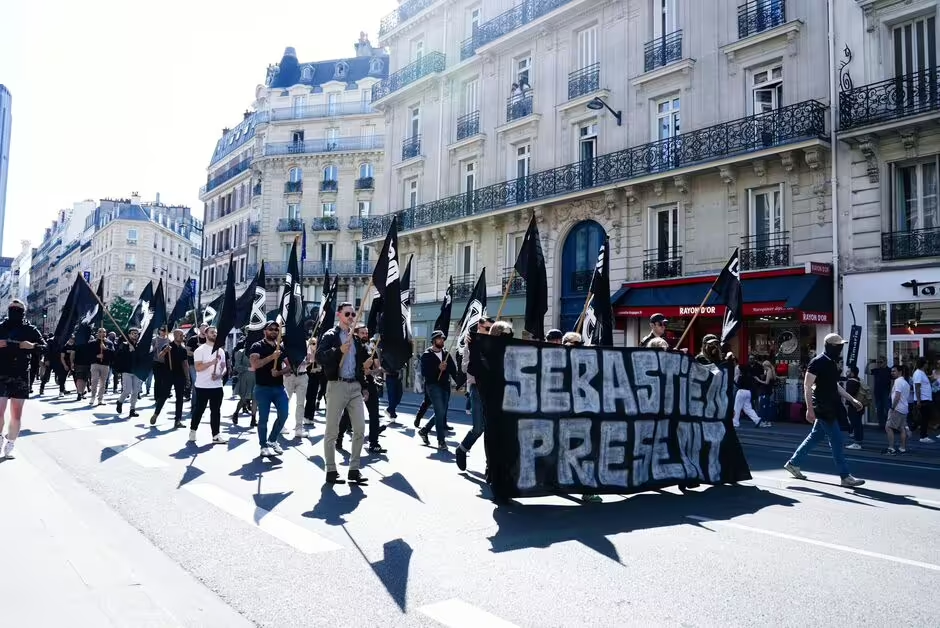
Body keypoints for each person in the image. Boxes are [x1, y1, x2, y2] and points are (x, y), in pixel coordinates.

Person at [784, 333, 865, 487]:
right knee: (837, 440)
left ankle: (793, 463)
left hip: (830, 406)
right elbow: (807, 386)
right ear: (831, 346)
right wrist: (809, 409)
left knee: (814, 437)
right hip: (823, 407)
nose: (841, 348)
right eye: (839, 345)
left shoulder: (832, 362)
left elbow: (834, 385)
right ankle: (845, 476)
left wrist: (851, 399)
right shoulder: (817, 362)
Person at [316, 302, 369, 485]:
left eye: (353, 315)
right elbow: (319, 357)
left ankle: (354, 470)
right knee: (332, 430)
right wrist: (338, 350)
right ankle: (331, 470)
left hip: (354, 387)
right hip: (336, 385)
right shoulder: (330, 335)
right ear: (339, 315)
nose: (351, 318)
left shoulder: (355, 339)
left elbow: (360, 366)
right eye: (348, 314)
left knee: (360, 429)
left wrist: (364, 386)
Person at [0, 300, 45, 459]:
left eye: (18, 309)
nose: (15, 311)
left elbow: (45, 347)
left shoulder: (30, 330)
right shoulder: (1, 327)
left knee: (16, 414)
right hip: (1, 372)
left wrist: (32, 346)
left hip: (20, 374)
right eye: (12, 308)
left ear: (23, 312)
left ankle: (10, 443)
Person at [455, 318, 495, 472]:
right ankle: (462, 449)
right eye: (487, 328)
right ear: (479, 327)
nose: (489, 331)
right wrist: (475, 353)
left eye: (491, 328)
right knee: (478, 428)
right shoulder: (470, 343)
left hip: (492, 389)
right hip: (476, 388)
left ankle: (489, 465)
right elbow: (465, 368)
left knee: (491, 429)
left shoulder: (493, 342)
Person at [249, 321, 290, 458]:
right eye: (271, 329)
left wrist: (279, 373)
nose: (274, 331)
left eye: (276, 329)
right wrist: (272, 357)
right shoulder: (257, 346)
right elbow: (255, 364)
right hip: (262, 388)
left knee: (284, 414)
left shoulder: (281, 347)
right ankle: (263, 445)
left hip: (278, 388)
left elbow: (289, 367)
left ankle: (272, 440)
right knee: (263, 419)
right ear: (264, 331)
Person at [418, 330, 458, 451]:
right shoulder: (427, 355)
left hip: (445, 385)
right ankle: (441, 441)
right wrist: (438, 368)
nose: (442, 341)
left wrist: (460, 382)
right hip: (433, 386)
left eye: (443, 339)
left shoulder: (446, 353)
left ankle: (424, 430)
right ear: (434, 340)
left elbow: (453, 369)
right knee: (440, 411)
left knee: (441, 412)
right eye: (439, 338)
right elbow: (425, 373)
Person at [189, 326, 227, 445]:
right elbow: (198, 368)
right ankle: (193, 430)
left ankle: (216, 435)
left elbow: (224, 367)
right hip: (202, 386)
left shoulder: (220, 351)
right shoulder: (199, 350)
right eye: (212, 332)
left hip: (217, 386)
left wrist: (220, 374)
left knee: (216, 411)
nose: (214, 334)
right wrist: (211, 362)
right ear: (206, 334)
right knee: (199, 410)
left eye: (215, 332)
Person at [151, 329, 189, 428]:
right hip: (168, 374)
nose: (182, 337)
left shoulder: (183, 349)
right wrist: (164, 351)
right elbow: (159, 357)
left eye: (183, 336)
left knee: (179, 398)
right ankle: (156, 414)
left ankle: (178, 420)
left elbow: (185, 364)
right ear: (175, 336)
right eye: (181, 335)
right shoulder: (168, 346)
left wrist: (187, 378)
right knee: (163, 395)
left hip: (180, 376)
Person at [282, 330, 313, 439]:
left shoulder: (306, 343)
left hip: (302, 375)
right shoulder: (285, 343)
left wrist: (307, 360)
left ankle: (299, 429)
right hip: (290, 375)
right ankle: (281, 425)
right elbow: (282, 358)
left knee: (300, 403)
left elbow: (310, 360)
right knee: (285, 401)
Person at [114, 328, 141, 418]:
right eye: (133, 333)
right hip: (126, 371)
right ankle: (120, 401)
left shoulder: (139, 345)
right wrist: (127, 350)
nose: (135, 335)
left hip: (136, 371)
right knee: (127, 390)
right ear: (129, 335)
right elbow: (118, 355)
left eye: (136, 333)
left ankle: (132, 409)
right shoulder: (124, 344)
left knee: (135, 392)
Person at [230, 337, 256, 427]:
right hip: (244, 378)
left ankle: (253, 418)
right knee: (244, 399)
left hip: (256, 378)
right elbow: (237, 366)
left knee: (255, 399)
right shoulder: (241, 352)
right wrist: (247, 368)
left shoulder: (257, 352)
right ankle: (236, 413)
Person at [885, 364, 910, 455]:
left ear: (900, 372)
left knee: (888, 427)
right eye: (891, 371)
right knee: (902, 428)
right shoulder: (906, 382)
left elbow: (897, 396)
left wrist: (892, 408)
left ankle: (891, 448)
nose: (892, 373)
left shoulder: (898, 381)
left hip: (897, 408)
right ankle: (902, 447)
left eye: (894, 371)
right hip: (904, 408)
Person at [88, 328, 114, 406]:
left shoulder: (109, 343)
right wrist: (96, 356)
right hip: (95, 364)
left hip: (105, 365)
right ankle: (93, 396)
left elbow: (113, 354)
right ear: (97, 333)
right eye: (100, 332)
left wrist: (105, 349)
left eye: (104, 332)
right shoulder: (92, 343)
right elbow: (88, 354)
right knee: (94, 381)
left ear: (106, 333)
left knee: (103, 383)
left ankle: (100, 399)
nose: (102, 333)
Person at [911, 357, 934, 444]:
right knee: (923, 418)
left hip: (926, 399)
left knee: (924, 418)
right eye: (927, 363)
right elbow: (917, 387)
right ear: (923, 364)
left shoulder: (922, 373)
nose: (928, 365)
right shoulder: (918, 373)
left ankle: (920, 432)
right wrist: (918, 401)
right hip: (922, 399)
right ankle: (923, 436)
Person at [844, 365, 863, 450]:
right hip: (859, 405)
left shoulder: (851, 382)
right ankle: (859, 439)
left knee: (855, 423)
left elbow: (849, 395)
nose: (846, 373)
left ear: (852, 373)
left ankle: (857, 442)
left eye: (848, 371)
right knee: (858, 423)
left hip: (853, 406)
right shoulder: (858, 380)